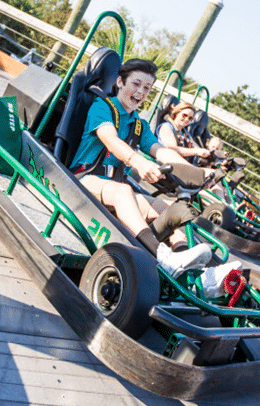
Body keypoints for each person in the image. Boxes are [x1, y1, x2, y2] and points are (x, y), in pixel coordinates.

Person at [70, 58, 212, 274]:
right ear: (120, 82)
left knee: (167, 208)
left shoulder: (139, 124)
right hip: (83, 179)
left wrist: (196, 173)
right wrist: (138, 161)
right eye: (136, 84)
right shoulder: (102, 108)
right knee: (123, 190)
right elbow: (111, 140)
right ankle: (161, 257)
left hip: (115, 188)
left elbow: (160, 150)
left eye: (147, 88)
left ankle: (185, 258)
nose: (141, 92)